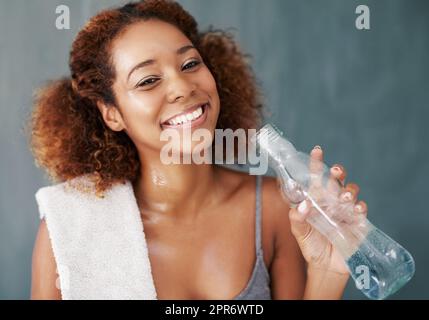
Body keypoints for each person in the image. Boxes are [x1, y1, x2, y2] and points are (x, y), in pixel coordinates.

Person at [29, 0, 367, 300]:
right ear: (112, 113)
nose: (181, 87)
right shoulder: (68, 228)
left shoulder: (277, 210)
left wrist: (328, 273)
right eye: (148, 80)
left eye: (190, 64)